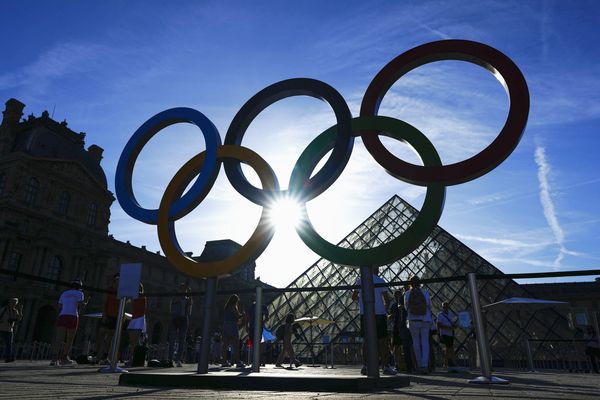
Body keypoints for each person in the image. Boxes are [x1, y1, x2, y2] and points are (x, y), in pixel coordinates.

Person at [352, 266, 394, 375]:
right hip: (379, 314)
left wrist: (361, 301)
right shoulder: (380, 280)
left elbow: (353, 296)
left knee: (366, 341)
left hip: (365, 313)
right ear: (375, 269)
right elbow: (387, 299)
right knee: (383, 341)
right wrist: (384, 308)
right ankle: (385, 366)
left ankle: (365, 366)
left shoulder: (360, 280)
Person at [51, 279, 88, 366]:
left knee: (59, 338)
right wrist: (85, 304)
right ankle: (64, 358)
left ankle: (54, 359)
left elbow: (60, 305)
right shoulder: (80, 293)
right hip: (73, 316)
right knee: (69, 339)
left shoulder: (64, 293)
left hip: (63, 315)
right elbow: (79, 306)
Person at [404, 275, 432, 374]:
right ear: (420, 283)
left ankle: (419, 365)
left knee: (415, 342)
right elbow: (429, 305)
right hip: (425, 320)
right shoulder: (425, 292)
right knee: (425, 342)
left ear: (410, 283)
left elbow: (406, 307)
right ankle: (424, 365)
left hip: (413, 320)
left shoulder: (407, 294)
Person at [94, 273, 119, 365]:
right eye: (117, 279)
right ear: (114, 280)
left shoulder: (121, 292)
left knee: (109, 338)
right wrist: (104, 315)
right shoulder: (109, 290)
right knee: (101, 335)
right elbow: (104, 303)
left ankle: (104, 357)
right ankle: (95, 355)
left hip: (115, 317)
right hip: (107, 315)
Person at [168, 282, 193, 367]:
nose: (183, 290)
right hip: (175, 319)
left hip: (183, 319)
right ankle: (170, 359)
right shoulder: (175, 297)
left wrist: (190, 299)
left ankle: (178, 359)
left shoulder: (187, 299)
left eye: (185, 289)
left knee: (182, 341)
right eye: (182, 288)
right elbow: (171, 307)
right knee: (172, 339)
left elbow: (189, 311)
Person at [389, 289, 413, 372]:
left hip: (403, 326)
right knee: (397, 346)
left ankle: (406, 364)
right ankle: (398, 364)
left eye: (398, 295)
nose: (397, 296)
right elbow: (390, 317)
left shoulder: (404, 304)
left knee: (405, 345)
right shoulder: (394, 306)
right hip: (397, 327)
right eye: (396, 295)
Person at [125, 283, 146, 367]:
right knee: (132, 341)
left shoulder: (141, 296)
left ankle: (133, 359)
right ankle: (133, 358)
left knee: (135, 341)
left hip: (139, 318)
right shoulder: (134, 296)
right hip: (134, 318)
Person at [221, 294, 244, 368]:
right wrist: (243, 314)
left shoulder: (226, 307)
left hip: (225, 325)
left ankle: (224, 361)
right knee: (235, 345)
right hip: (232, 326)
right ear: (235, 301)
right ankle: (237, 361)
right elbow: (237, 316)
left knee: (225, 345)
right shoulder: (233, 307)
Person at [246, 300, 269, 366]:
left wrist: (246, 326)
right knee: (258, 343)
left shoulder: (251, 307)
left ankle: (251, 360)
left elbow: (247, 318)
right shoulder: (263, 307)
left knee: (252, 344)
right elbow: (267, 317)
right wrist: (262, 322)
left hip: (252, 327)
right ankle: (257, 360)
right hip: (259, 327)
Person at [0, 298, 22, 362]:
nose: (13, 304)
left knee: (9, 344)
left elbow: (19, 319)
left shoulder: (15, 311)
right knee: (8, 344)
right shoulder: (4, 309)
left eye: (15, 303)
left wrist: (20, 311)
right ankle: (9, 357)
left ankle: (8, 358)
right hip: (1, 328)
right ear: (9, 302)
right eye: (12, 302)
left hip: (9, 330)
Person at [437, 301, 456, 369]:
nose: (445, 308)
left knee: (450, 348)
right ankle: (446, 363)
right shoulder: (440, 314)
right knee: (448, 348)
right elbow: (439, 325)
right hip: (444, 334)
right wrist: (448, 327)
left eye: (446, 306)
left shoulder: (451, 314)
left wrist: (454, 326)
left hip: (450, 333)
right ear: (442, 307)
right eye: (444, 306)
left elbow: (453, 322)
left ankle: (448, 362)